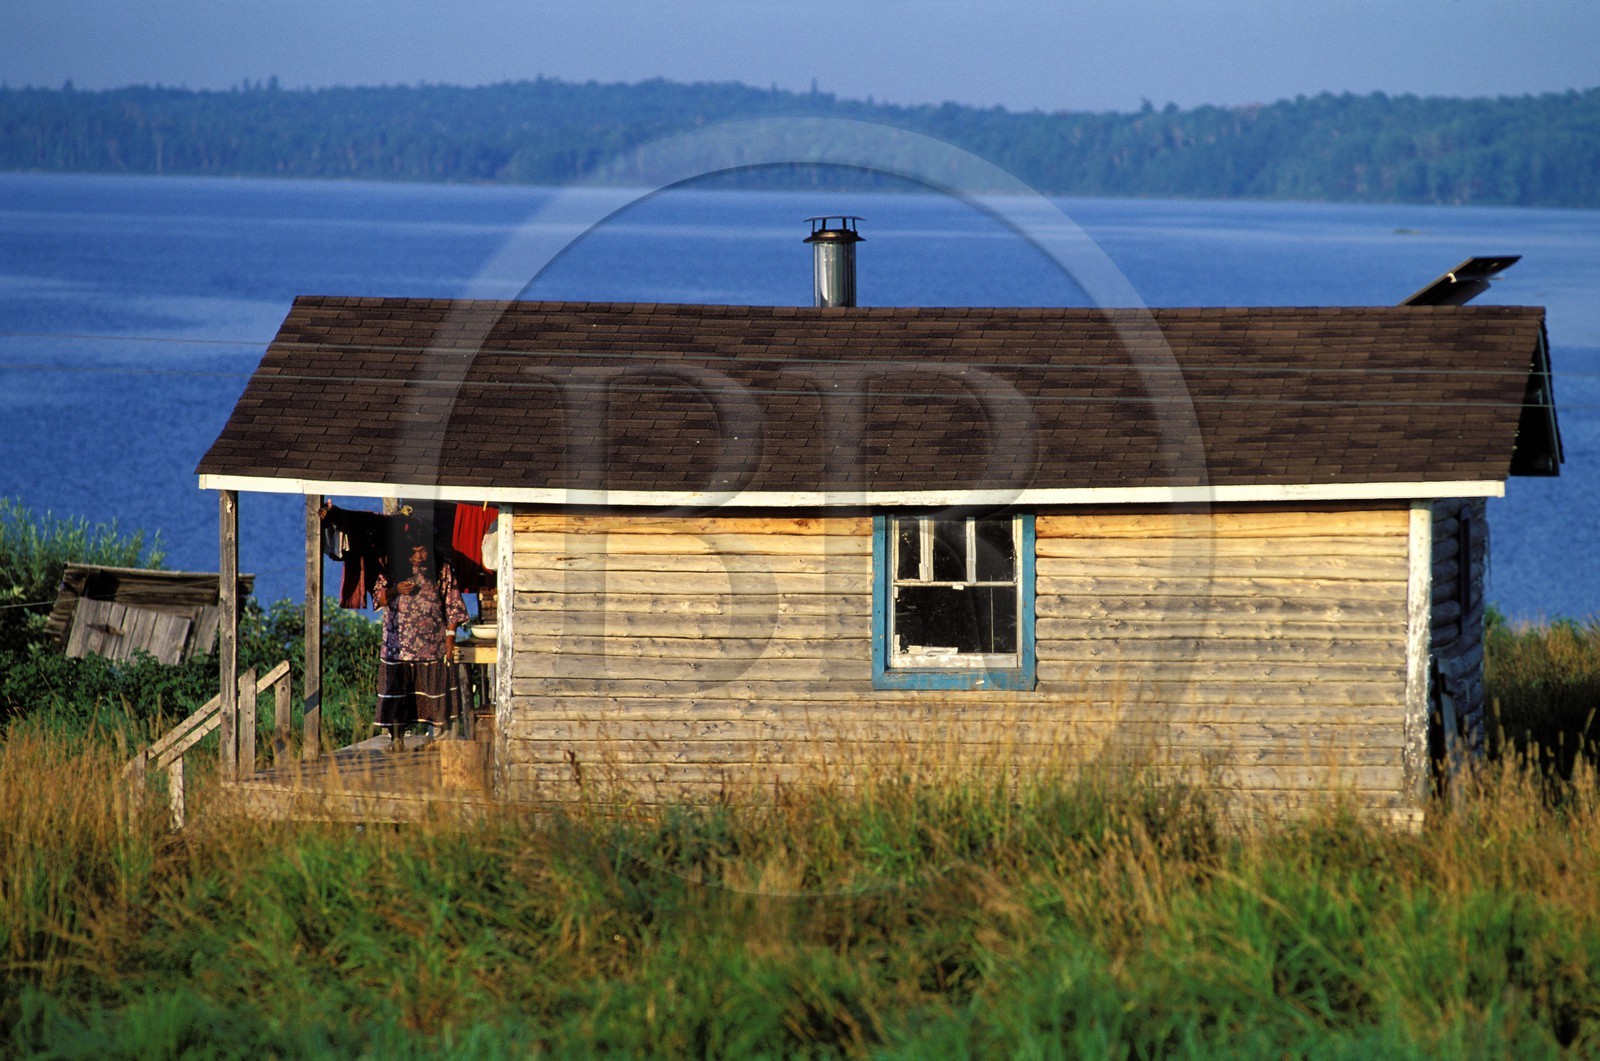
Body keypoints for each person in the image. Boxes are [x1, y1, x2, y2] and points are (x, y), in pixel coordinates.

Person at [372, 539, 470, 751]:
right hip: (399, 647)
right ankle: (396, 740)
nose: (418, 556)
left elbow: (453, 604)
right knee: (398, 694)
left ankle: (438, 741)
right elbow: (378, 599)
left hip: (432, 645)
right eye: (413, 552)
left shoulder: (441, 569)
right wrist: (395, 590)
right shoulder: (391, 569)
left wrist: (450, 638)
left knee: (435, 693)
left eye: (423, 551)